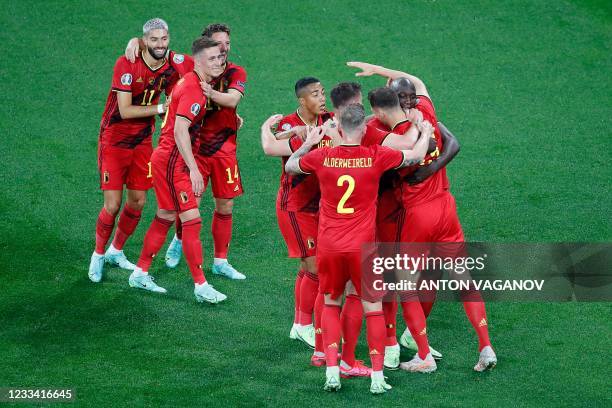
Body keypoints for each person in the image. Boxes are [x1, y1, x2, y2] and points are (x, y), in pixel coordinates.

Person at [349, 61, 496, 372]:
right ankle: (485, 346)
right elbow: (417, 81)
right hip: (446, 207)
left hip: (417, 214)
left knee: (405, 285)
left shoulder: (384, 132)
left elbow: (401, 156)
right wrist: (380, 70)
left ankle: (423, 356)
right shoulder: (426, 111)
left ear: (381, 109)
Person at [285, 103, 433, 394]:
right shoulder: (375, 155)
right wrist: (425, 131)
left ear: (339, 129)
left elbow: (291, 166)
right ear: (364, 129)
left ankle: (332, 370)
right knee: (373, 309)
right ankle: (377, 377)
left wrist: (308, 144)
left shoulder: (322, 156)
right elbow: (416, 155)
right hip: (363, 247)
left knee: (330, 304)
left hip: (329, 245)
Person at [126, 24, 247, 280]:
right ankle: (182, 252)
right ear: (204, 50)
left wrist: (217, 99)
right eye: (216, 44)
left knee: (222, 206)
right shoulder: (195, 69)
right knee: (190, 209)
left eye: (226, 44)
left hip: (224, 148)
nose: (222, 49)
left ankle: (218, 262)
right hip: (193, 150)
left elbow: (233, 100)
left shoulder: (233, 72)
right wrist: (137, 41)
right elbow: (161, 49)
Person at [89, 18, 190, 283]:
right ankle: (98, 254)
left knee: (138, 201)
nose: (160, 44)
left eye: (164, 39)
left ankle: (116, 250)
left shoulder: (173, 63)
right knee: (112, 205)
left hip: (143, 142)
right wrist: (161, 108)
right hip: (114, 140)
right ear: (144, 40)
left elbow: (202, 65)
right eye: (154, 39)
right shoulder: (127, 63)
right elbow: (124, 110)